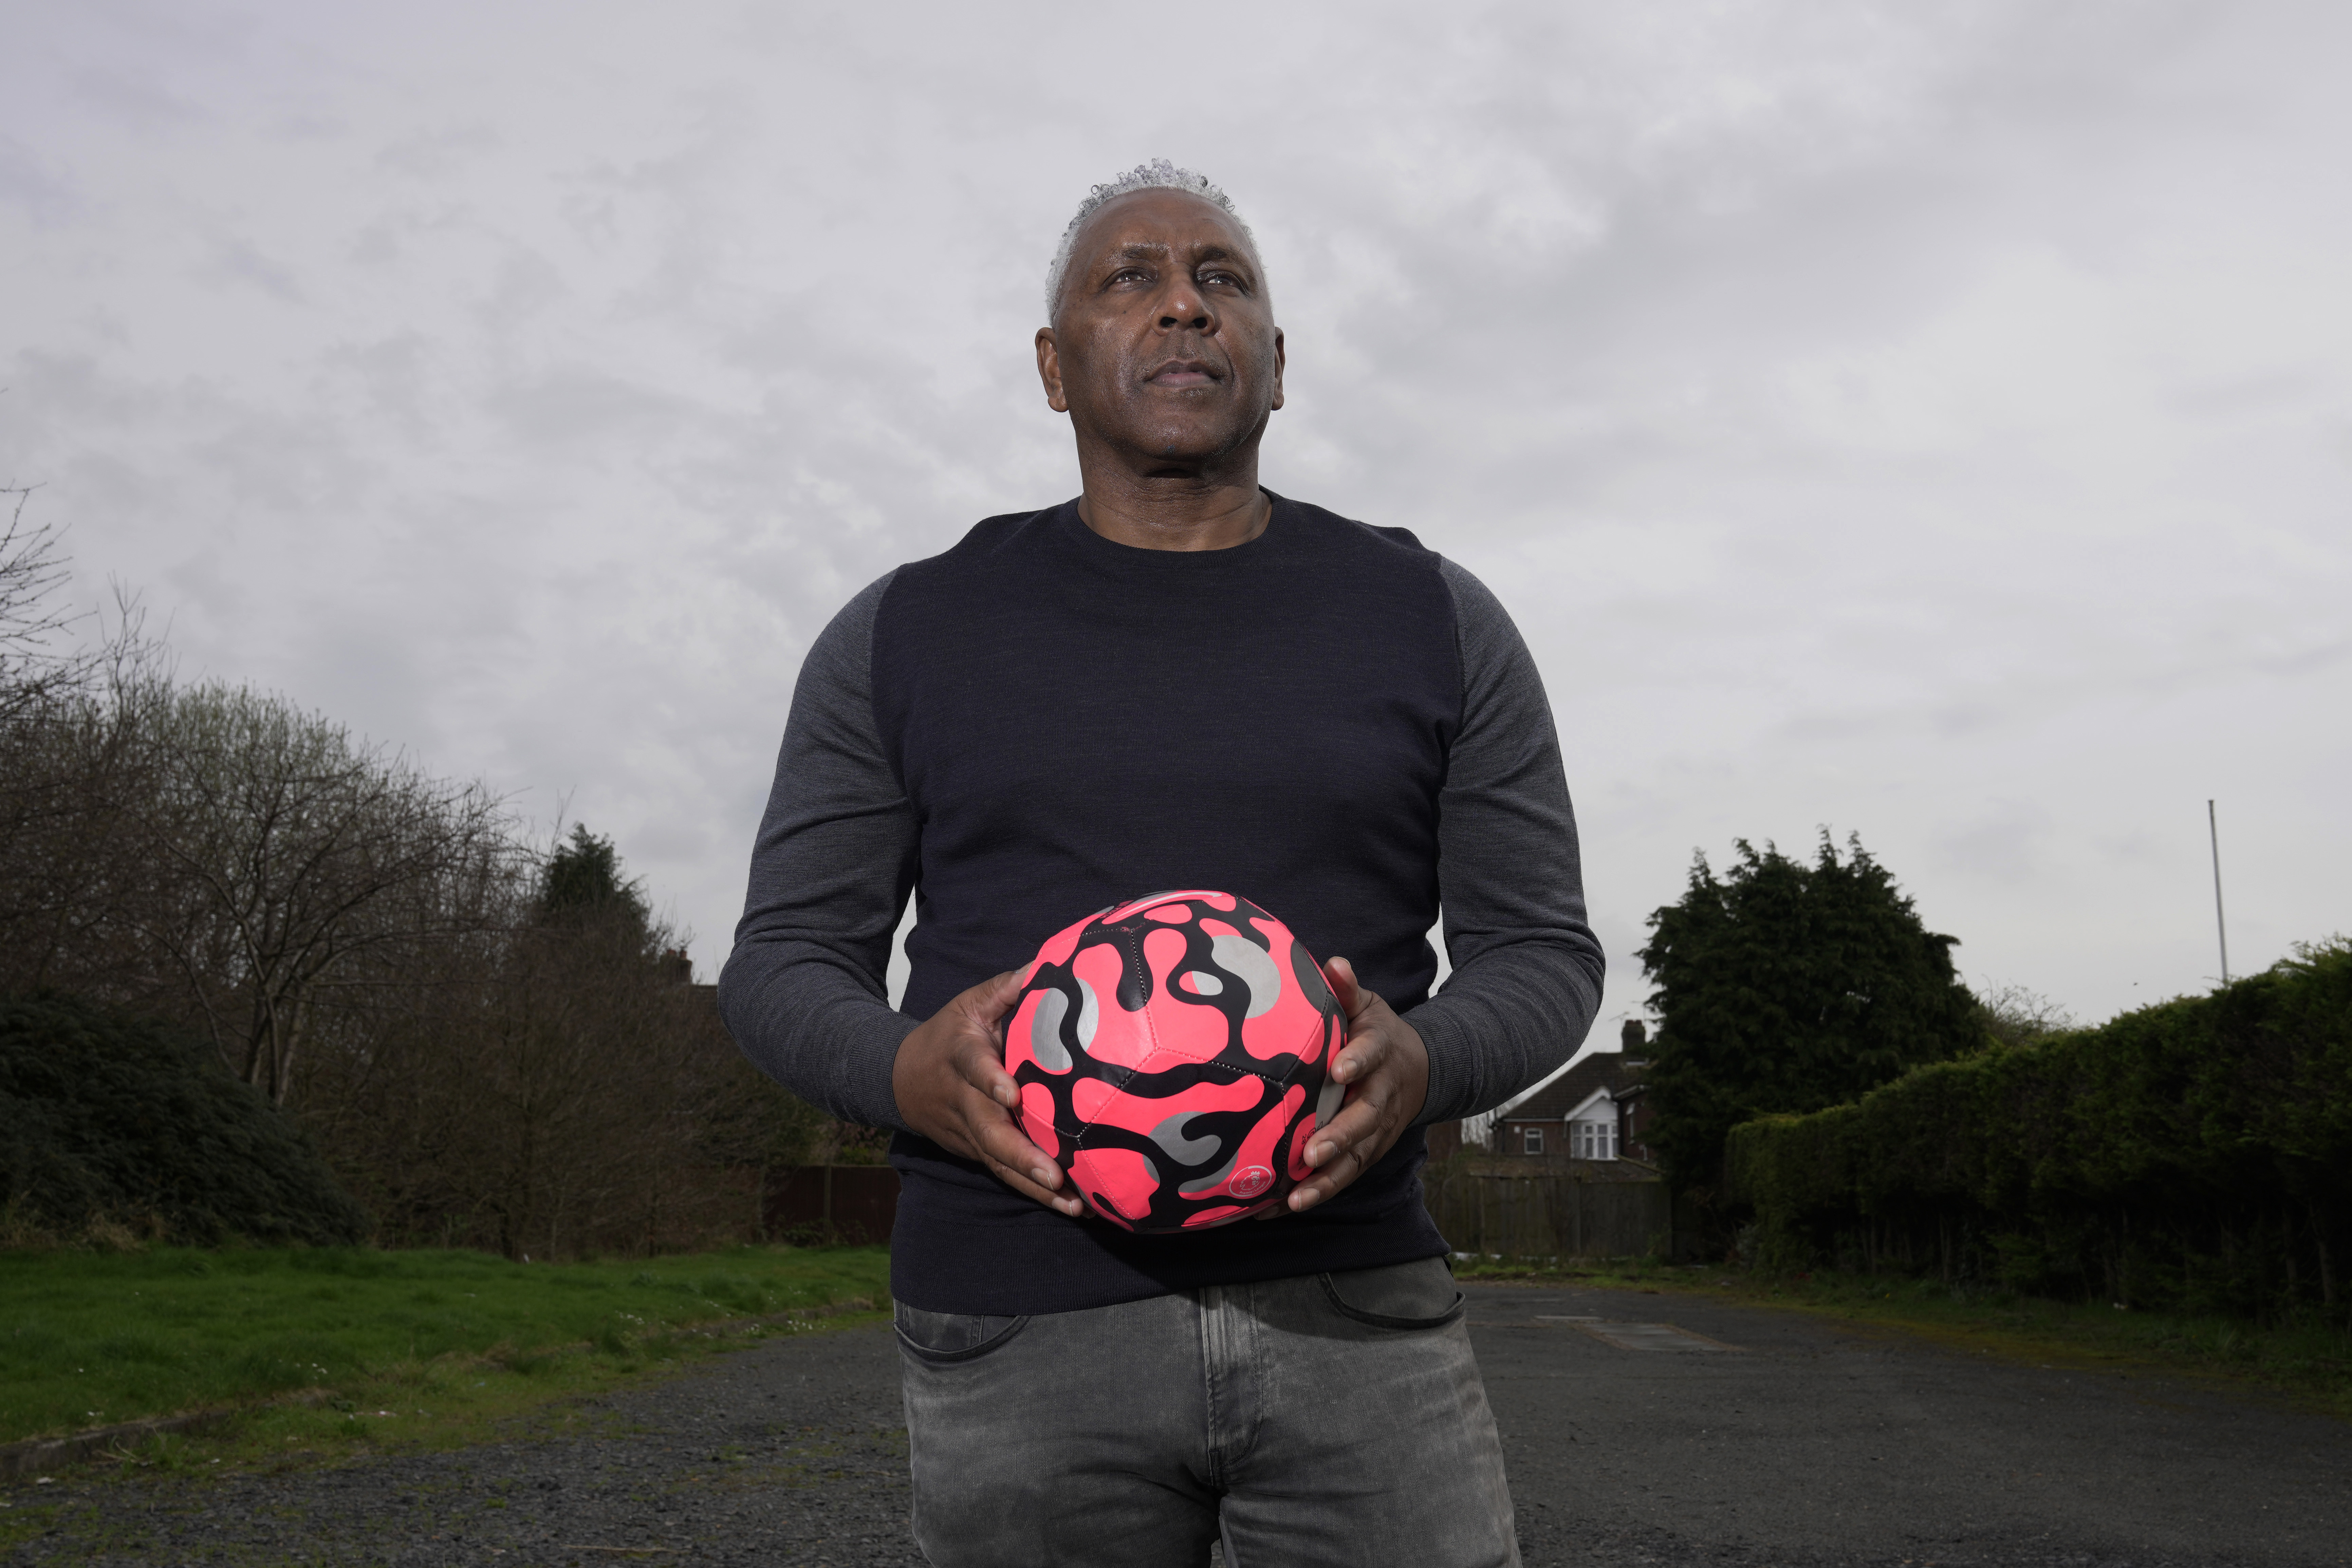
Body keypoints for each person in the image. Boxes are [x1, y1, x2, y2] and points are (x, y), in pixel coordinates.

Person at [720, 160, 1603, 1568]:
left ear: (1275, 361)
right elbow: (778, 963)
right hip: (1014, 1320)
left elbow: (1545, 956)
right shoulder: (902, 632)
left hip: (1353, 1307)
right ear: (1052, 367)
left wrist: (1424, 1062)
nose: (1183, 304)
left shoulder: (1432, 617)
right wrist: (906, 1075)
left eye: (1223, 279)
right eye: (1128, 278)